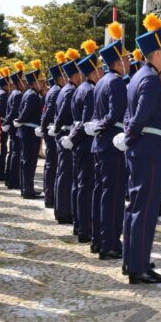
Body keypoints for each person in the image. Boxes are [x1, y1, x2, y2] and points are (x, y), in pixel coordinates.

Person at [120, 14, 161, 284]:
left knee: (136, 206)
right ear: (157, 52)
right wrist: (130, 135)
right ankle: (139, 267)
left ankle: (132, 260)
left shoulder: (138, 76)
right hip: (148, 148)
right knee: (146, 208)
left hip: (140, 148)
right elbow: (140, 115)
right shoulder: (151, 79)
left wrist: (129, 136)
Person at [91, 22, 130, 261]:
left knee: (102, 193)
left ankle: (99, 239)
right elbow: (116, 113)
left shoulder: (101, 82)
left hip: (101, 143)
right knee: (112, 196)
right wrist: (104, 125)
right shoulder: (115, 82)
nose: (127, 62)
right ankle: (110, 243)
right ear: (118, 60)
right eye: (124, 58)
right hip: (112, 144)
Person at [69, 42, 102, 246]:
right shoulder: (89, 91)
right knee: (86, 187)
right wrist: (74, 137)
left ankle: (78, 224)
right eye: (99, 69)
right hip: (86, 143)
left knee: (80, 185)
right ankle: (84, 228)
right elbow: (85, 121)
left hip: (79, 143)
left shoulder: (81, 88)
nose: (101, 72)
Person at [51, 48, 82, 225]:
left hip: (63, 132)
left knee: (63, 173)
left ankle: (62, 209)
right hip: (66, 133)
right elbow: (63, 113)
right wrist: (57, 128)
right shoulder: (70, 91)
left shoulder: (66, 89)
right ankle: (64, 211)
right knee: (66, 173)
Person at [41, 52, 67, 209]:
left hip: (51, 129)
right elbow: (49, 111)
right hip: (53, 130)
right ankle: (50, 195)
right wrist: (45, 128)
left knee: (51, 163)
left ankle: (49, 193)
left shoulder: (54, 89)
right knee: (52, 163)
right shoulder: (57, 91)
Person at [16, 60, 45, 199]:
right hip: (29, 133)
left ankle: (26, 188)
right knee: (29, 162)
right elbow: (26, 112)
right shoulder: (32, 95)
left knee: (25, 161)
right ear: (34, 82)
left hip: (26, 132)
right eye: (41, 81)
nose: (43, 84)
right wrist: (20, 120)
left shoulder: (29, 93)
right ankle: (28, 190)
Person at [4, 64, 26, 189]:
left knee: (13, 152)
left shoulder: (13, 93)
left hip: (12, 126)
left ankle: (10, 179)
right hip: (15, 126)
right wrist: (8, 122)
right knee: (15, 153)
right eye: (23, 81)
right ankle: (14, 180)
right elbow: (13, 112)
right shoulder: (17, 94)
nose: (25, 83)